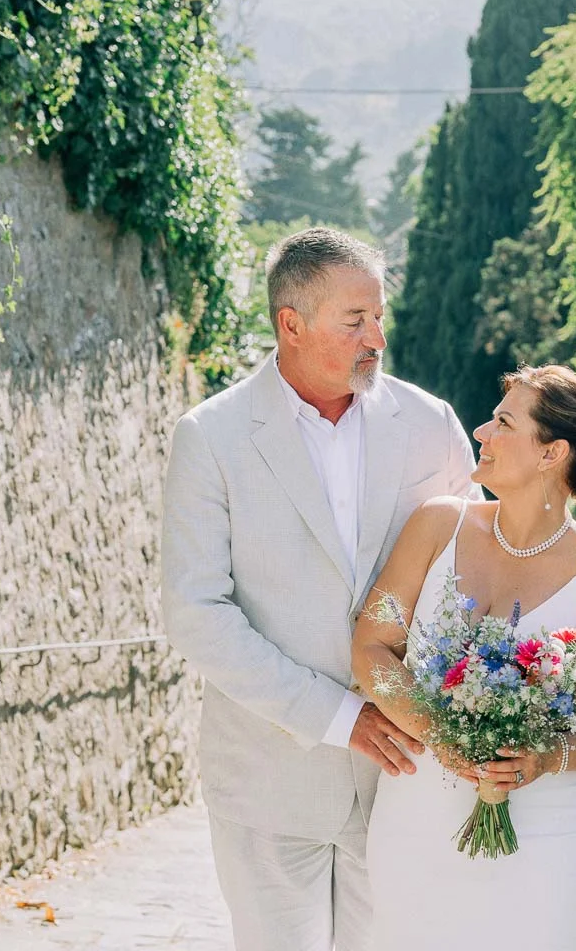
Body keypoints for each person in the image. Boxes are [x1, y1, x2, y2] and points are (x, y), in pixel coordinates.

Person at [161, 227, 479, 951]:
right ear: (291, 325)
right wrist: (340, 717)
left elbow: (473, 577)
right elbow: (196, 612)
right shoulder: (211, 437)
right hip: (269, 781)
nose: (378, 337)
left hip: (409, 783)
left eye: (379, 315)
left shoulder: (431, 425)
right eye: (355, 320)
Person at [354, 364, 576, 951]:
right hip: (416, 815)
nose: (480, 432)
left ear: (552, 454)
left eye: (503, 422)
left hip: (547, 832)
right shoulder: (435, 526)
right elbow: (372, 647)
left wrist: (549, 755)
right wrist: (438, 729)